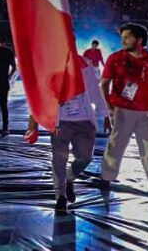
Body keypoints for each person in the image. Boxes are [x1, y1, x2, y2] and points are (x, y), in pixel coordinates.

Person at [98, 23, 148, 200]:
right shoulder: (115, 58)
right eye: (122, 37)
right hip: (122, 109)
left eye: (127, 37)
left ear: (139, 40)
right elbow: (104, 83)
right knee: (116, 145)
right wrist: (109, 107)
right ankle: (106, 177)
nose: (123, 41)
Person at [26, 54, 109, 213]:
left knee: (85, 157)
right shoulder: (49, 63)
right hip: (60, 122)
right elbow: (40, 96)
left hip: (84, 120)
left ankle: (69, 178)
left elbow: (94, 89)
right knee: (59, 159)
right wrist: (33, 123)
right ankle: (60, 196)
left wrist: (104, 114)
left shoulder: (84, 63)